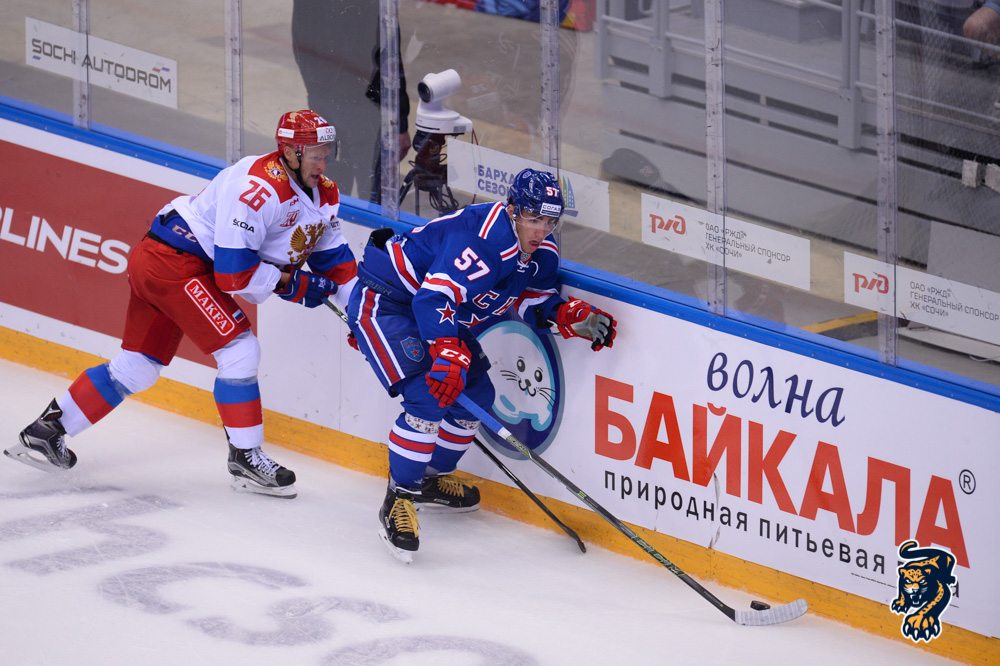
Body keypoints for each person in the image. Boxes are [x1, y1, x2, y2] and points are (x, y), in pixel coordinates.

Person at [6, 110, 358, 500]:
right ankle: (245, 458)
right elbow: (233, 275)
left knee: (138, 368)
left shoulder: (324, 193)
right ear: (290, 152)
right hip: (176, 264)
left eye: (326, 154)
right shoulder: (258, 189)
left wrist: (361, 316)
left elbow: (337, 265)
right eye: (315, 156)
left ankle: (45, 431)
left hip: (164, 259)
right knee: (239, 350)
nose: (323, 164)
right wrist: (294, 284)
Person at [345, 167, 617, 562]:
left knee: (476, 396)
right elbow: (433, 299)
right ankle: (399, 499)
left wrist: (567, 315)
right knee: (428, 396)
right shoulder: (485, 241)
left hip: (433, 312)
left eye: (549, 221)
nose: (542, 230)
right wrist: (448, 351)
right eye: (534, 218)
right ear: (513, 209)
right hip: (389, 303)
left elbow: (531, 299)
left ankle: (430, 480)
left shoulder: (541, 251)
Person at [291, 1, 411, 203]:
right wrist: (400, 121)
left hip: (325, 97)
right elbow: (388, 56)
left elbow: (300, 36)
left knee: (330, 190)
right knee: (372, 195)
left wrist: (315, 87)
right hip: (363, 106)